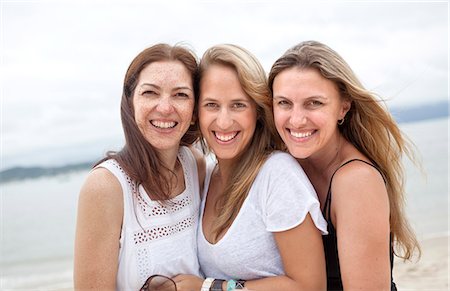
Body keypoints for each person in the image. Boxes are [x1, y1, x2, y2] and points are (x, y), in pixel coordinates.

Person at [172, 44, 328, 291]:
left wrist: (210, 288)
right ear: (196, 112)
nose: (223, 121)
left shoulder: (277, 174)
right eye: (211, 105)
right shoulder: (209, 174)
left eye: (238, 105)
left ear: (257, 110)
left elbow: (310, 286)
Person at [268, 40, 421, 291]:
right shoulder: (283, 165)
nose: (296, 119)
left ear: (343, 107)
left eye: (314, 103)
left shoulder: (356, 180)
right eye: (284, 103)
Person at [73, 43, 205, 290]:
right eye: (150, 93)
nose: (165, 107)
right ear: (130, 102)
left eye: (180, 94)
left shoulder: (195, 165)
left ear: (195, 110)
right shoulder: (105, 186)